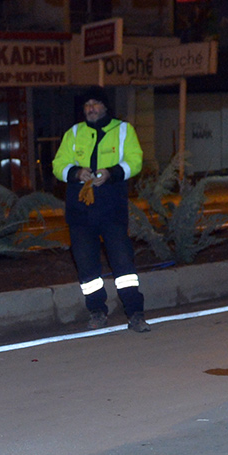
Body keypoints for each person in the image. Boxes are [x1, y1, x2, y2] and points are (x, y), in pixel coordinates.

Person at [52, 90, 149, 333]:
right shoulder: (74, 133)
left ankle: (135, 314)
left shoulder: (123, 130)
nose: (91, 108)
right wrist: (76, 173)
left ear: (106, 107)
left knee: (123, 262)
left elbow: (135, 161)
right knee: (87, 266)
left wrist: (111, 173)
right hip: (80, 211)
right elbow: (58, 165)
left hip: (111, 207)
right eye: (87, 104)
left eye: (95, 103)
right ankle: (97, 312)